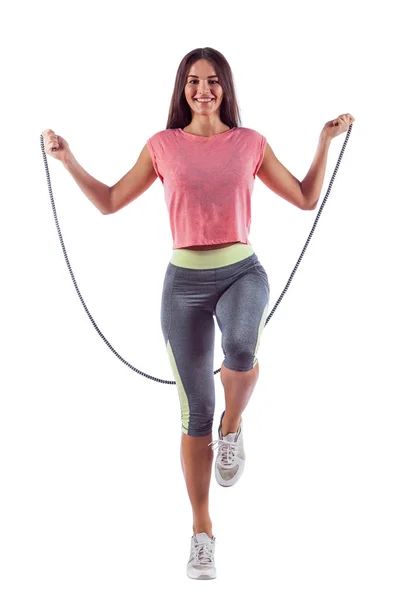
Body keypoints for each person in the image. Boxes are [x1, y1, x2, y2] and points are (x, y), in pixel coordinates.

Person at [42, 47, 354, 581]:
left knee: (240, 347)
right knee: (194, 416)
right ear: (182, 88)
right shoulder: (162, 146)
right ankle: (202, 531)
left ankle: (235, 427)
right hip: (181, 285)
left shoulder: (249, 142)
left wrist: (324, 142)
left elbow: (305, 198)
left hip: (242, 272)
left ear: (225, 88)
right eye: (193, 81)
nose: (203, 89)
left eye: (212, 80)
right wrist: (68, 158)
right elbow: (112, 201)